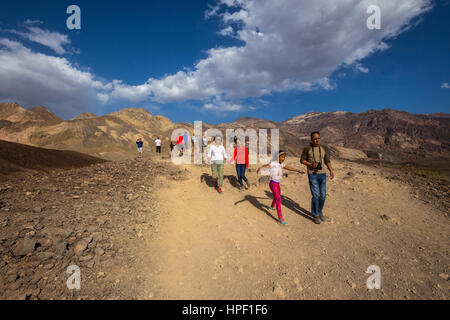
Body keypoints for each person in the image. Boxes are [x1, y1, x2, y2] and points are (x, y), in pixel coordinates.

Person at [257, 150, 304, 225]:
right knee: (278, 199)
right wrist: (261, 167)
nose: (283, 158)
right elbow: (267, 166)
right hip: (273, 184)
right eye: (282, 157)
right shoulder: (274, 163)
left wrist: (297, 170)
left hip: (277, 184)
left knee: (277, 196)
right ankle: (280, 218)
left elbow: (288, 167)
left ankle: (272, 206)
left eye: (284, 157)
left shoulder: (281, 164)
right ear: (278, 157)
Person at [300, 131, 335, 224]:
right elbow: (302, 160)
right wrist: (311, 164)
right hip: (312, 174)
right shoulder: (307, 148)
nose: (317, 140)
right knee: (316, 195)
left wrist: (331, 170)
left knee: (323, 196)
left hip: (323, 174)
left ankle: (319, 212)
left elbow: (327, 160)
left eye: (318, 138)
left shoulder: (323, 148)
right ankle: (315, 214)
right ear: (311, 139)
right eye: (315, 138)